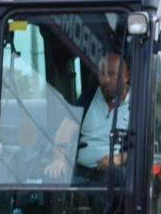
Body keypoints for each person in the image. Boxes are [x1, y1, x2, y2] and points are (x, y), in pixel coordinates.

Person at [45, 53, 130, 185]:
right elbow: (64, 131)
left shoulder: (137, 105)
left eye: (112, 74)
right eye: (102, 73)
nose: (106, 79)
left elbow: (146, 151)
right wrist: (59, 159)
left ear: (126, 77)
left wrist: (119, 159)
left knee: (119, 176)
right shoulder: (89, 97)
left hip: (113, 176)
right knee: (50, 178)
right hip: (80, 173)